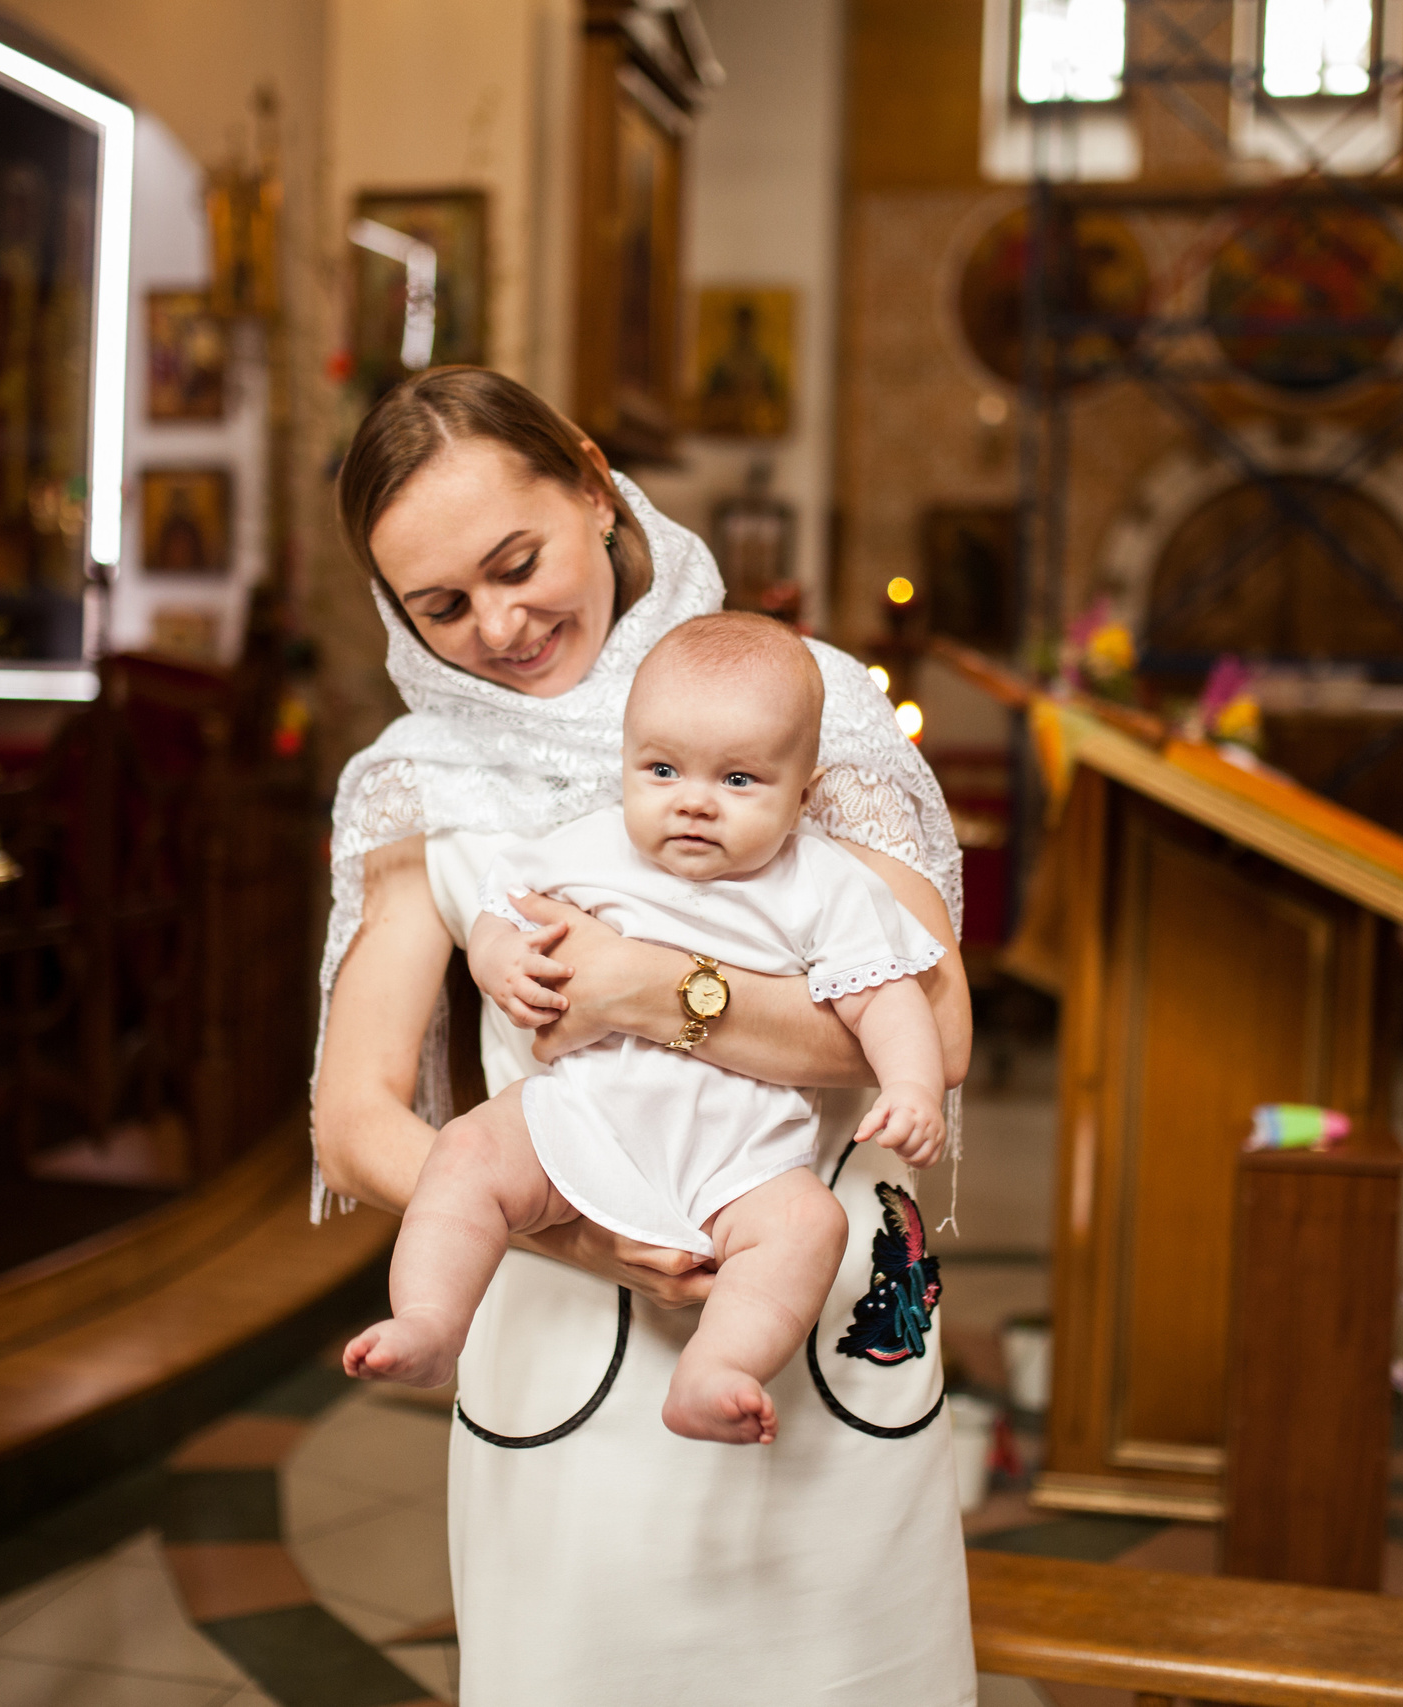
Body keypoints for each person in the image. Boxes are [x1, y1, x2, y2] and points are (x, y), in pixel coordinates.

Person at [312, 365, 975, 1704]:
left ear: (593, 484)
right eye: (441, 605)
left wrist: (650, 988)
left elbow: (935, 1025)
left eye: (518, 563)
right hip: (563, 1323)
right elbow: (355, 1117)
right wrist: (579, 1231)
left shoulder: (803, 700)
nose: (499, 624)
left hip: (806, 1299)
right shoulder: (416, 777)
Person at [343, 612, 950, 1445]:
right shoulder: (590, 848)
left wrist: (912, 1085)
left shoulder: (823, 883)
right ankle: (430, 1320)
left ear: (803, 796)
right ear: (624, 763)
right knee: (468, 1150)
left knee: (809, 1226)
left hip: (742, 1157)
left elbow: (884, 996)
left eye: (739, 779)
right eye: (661, 769)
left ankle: (718, 1367)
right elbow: (501, 910)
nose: (693, 801)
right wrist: (498, 960)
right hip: (585, 1115)